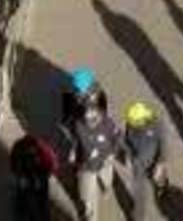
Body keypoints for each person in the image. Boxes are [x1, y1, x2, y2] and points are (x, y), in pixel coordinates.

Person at [72, 85, 120, 221]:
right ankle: (90, 216)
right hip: (87, 167)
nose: (88, 118)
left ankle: (106, 188)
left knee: (107, 181)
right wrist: (74, 151)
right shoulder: (78, 125)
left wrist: (112, 153)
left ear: (99, 113)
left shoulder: (108, 123)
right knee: (88, 198)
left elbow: (117, 136)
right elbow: (79, 141)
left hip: (105, 163)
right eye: (86, 114)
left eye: (93, 115)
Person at [123, 101, 168, 219]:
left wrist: (160, 163)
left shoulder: (156, 123)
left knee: (159, 179)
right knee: (139, 192)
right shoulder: (131, 123)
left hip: (154, 159)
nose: (133, 124)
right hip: (138, 162)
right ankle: (138, 217)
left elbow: (163, 144)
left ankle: (162, 189)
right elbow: (126, 141)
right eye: (132, 122)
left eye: (136, 122)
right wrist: (128, 157)